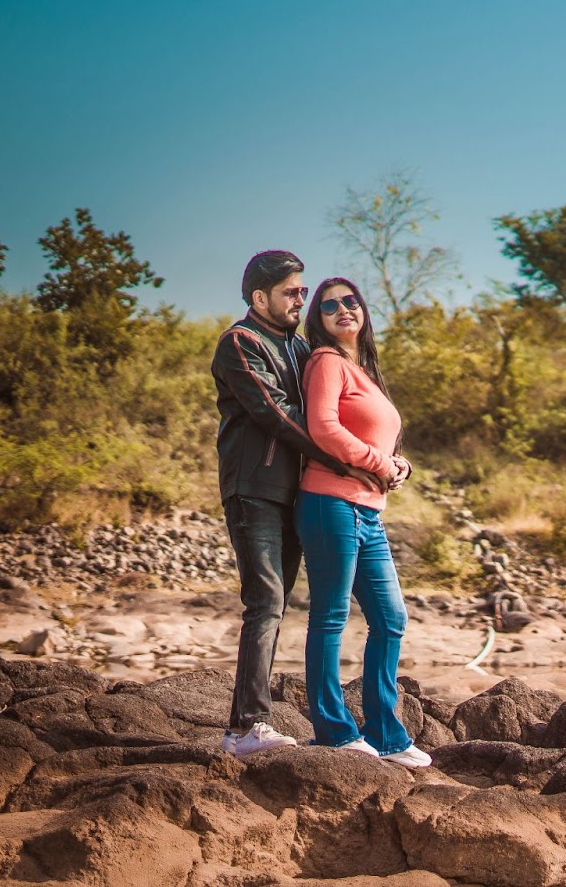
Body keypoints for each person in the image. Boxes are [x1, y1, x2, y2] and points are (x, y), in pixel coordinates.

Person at [212, 250, 382, 757]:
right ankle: (244, 729)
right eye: (291, 292)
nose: (300, 299)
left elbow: (342, 405)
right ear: (259, 297)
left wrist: (375, 456)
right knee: (264, 602)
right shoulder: (239, 342)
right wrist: (351, 461)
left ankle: (260, 722)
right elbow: (278, 414)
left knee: (281, 603)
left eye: (303, 291)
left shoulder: (303, 347)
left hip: (298, 493)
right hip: (254, 489)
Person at [296, 276, 431, 767]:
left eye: (350, 301)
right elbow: (323, 428)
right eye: (329, 305)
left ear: (363, 310)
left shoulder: (363, 369)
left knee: (390, 617)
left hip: (368, 512)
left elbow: (383, 444)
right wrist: (380, 463)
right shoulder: (326, 361)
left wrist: (401, 465)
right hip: (330, 504)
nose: (342, 309)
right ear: (319, 320)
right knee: (330, 617)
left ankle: (387, 736)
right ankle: (334, 731)